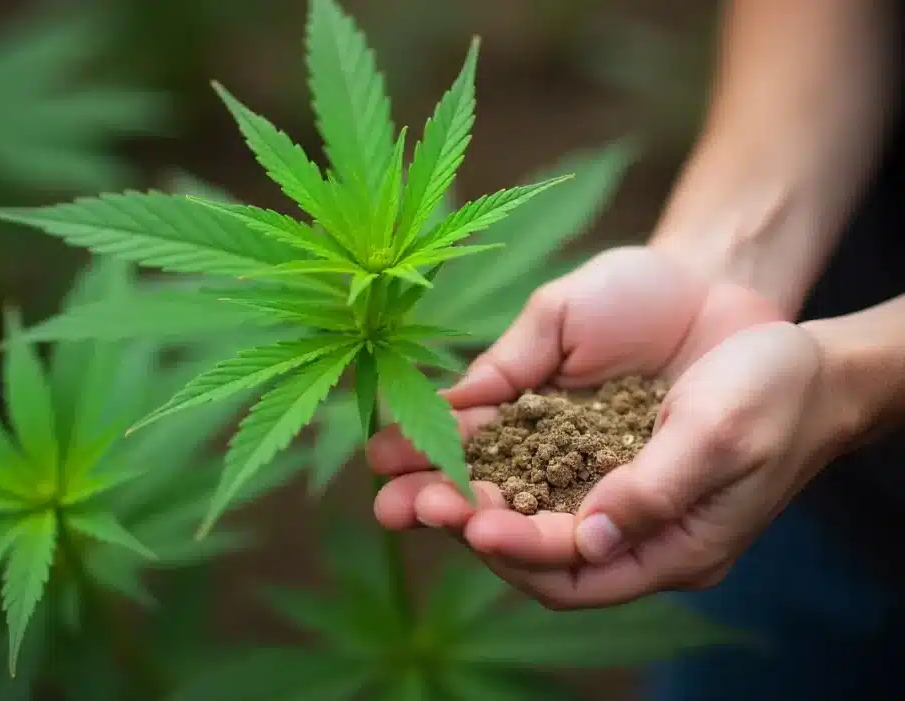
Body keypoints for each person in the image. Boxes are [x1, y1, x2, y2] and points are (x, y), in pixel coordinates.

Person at [366, 0, 905, 698]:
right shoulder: (726, 418)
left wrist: (848, 382)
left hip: (795, 415)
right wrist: (720, 262)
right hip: (790, 478)